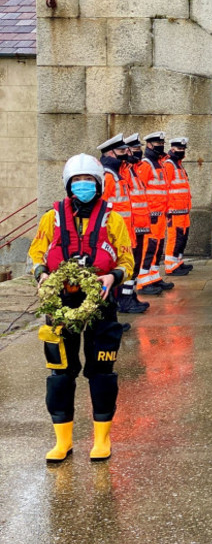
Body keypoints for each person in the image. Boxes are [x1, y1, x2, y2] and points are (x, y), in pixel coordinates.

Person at [28, 154, 134, 463]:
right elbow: (37, 250)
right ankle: (63, 441)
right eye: (78, 181)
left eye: (89, 181)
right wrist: (41, 274)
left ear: (99, 184)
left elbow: (127, 260)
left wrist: (112, 277)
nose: (83, 186)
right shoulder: (53, 217)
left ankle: (102, 439)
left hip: (101, 301)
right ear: (68, 185)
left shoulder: (113, 219)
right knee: (60, 372)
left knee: (102, 371)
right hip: (61, 301)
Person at [98, 133, 148, 315]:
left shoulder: (119, 173)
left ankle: (127, 298)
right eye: (120, 150)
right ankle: (122, 303)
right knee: (120, 269)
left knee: (130, 267)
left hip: (127, 231)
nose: (125, 153)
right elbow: (102, 206)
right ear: (109, 153)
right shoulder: (108, 175)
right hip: (115, 234)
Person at [136, 132, 174, 295]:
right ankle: (143, 282)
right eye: (157, 143)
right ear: (149, 145)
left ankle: (154, 276)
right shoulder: (146, 165)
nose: (161, 145)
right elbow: (140, 190)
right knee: (148, 247)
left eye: (162, 143)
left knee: (157, 248)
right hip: (151, 215)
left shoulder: (159, 164)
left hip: (160, 214)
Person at [122, 133, 156, 305]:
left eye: (139, 149)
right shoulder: (126, 172)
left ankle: (131, 296)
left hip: (140, 223)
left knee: (135, 263)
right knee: (130, 264)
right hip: (131, 225)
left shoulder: (133, 170)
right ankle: (126, 298)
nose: (138, 152)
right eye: (135, 149)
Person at [163, 137, 193, 276]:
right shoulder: (169, 164)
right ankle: (170, 266)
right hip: (174, 210)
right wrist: (168, 208)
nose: (181, 151)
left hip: (183, 209)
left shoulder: (178, 164)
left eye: (183, 149)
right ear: (173, 149)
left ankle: (178, 262)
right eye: (179, 149)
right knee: (174, 238)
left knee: (182, 238)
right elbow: (165, 188)